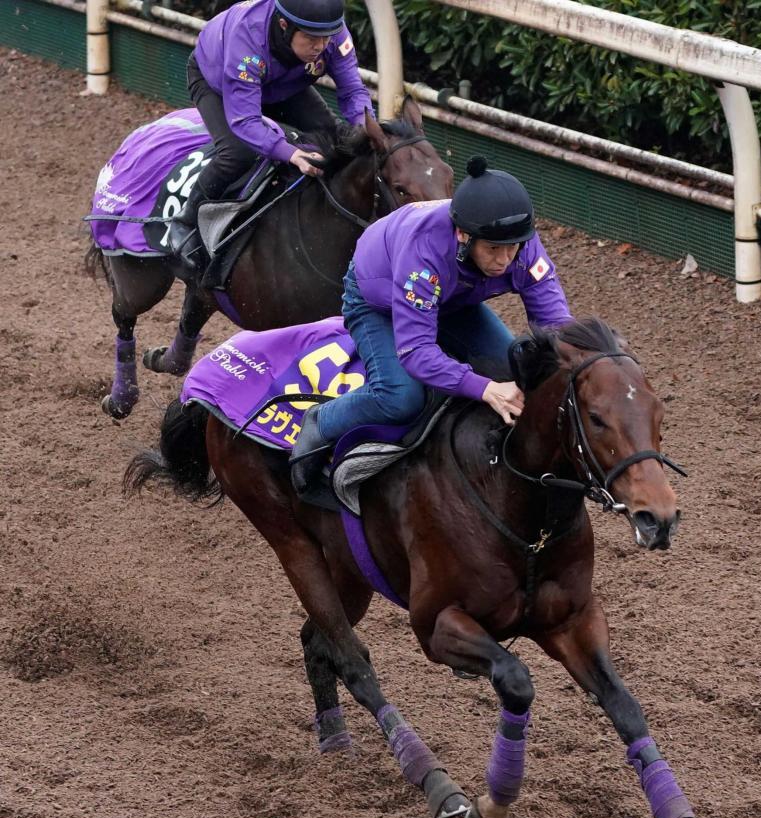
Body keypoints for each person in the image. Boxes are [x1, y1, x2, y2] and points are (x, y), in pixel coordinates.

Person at [290, 154, 573, 494]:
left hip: (452, 301)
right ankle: (321, 423)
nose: (504, 261)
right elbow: (416, 352)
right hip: (379, 303)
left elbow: (556, 327)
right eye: (494, 249)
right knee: (401, 397)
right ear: (463, 235)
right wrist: (484, 388)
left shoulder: (522, 245)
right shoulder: (424, 255)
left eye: (513, 249)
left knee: (508, 368)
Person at [168, 0, 374, 264]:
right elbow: (245, 121)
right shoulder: (248, 39)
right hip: (218, 83)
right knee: (238, 151)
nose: (321, 47)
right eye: (311, 38)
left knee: (334, 136)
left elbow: (353, 91)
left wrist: (366, 128)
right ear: (284, 25)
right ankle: (185, 220)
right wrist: (291, 153)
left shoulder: (330, 33)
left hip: (283, 85)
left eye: (326, 39)